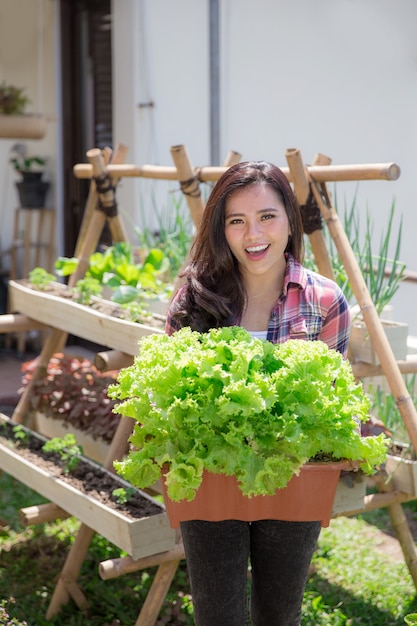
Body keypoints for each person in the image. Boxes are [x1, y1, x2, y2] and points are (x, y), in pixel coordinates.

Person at [165, 160, 350, 626]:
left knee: (279, 616)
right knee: (218, 618)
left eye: (267, 216)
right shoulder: (194, 300)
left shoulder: (324, 301)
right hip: (210, 482)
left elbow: (333, 405)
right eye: (236, 221)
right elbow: (170, 405)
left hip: (292, 479)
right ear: (220, 230)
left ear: (289, 219)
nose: (253, 234)